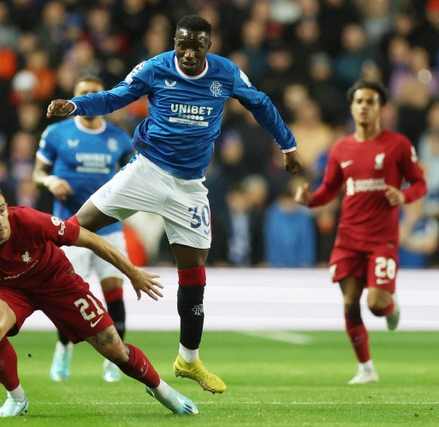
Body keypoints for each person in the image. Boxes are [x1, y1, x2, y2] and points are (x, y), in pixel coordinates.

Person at [46, 14, 303, 394]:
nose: (187, 52)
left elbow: (260, 103)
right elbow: (116, 96)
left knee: (195, 275)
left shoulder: (226, 73)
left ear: (208, 47)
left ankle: (189, 360)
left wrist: (288, 144)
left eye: (195, 46)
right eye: (182, 44)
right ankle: (14, 254)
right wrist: (77, 106)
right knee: (77, 226)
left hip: (190, 188)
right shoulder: (155, 67)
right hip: (147, 171)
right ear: (175, 42)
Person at [0, 182, 198, 417]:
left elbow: (90, 238)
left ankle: (161, 389)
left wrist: (131, 271)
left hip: (57, 282)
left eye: (2, 211)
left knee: (115, 350)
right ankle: (16, 398)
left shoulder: (30, 220)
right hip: (11, 289)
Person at [294, 80, 427, 384]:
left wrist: (403, 196)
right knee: (350, 302)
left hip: (382, 238)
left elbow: (420, 184)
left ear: (381, 108)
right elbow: (329, 190)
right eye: (359, 102)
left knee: (376, 306)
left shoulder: (398, 145)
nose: (364, 107)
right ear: (352, 108)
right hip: (349, 238)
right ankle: (366, 367)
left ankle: (391, 306)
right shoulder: (341, 148)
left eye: (370, 101)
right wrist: (310, 199)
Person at [33, 75, 134, 383]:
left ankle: (115, 362)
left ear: (102, 98)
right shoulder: (56, 133)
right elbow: (38, 172)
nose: (89, 97)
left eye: (94, 93)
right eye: (83, 93)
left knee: (114, 296)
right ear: (75, 98)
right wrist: (50, 181)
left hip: (109, 228)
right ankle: (63, 351)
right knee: (70, 299)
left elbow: (132, 176)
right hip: (69, 229)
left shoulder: (119, 138)